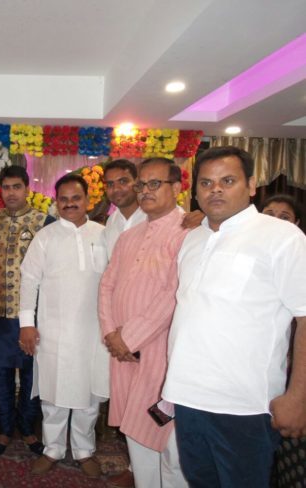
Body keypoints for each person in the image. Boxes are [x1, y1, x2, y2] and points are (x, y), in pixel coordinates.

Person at [162, 146, 306, 487]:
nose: (215, 190)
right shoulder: (193, 239)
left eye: (227, 181)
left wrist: (298, 396)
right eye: (206, 183)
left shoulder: (282, 237)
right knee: (200, 481)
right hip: (187, 397)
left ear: (251, 185)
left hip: (244, 405)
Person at [99, 158, 189, 487]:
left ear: (176, 188)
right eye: (142, 185)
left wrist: (130, 337)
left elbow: (174, 293)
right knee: (135, 431)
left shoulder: (188, 233)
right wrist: (111, 333)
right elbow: (107, 285)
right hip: (123, 353)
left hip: (161, 352)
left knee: (169, 440)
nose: (145, 191)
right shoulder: (129, 236)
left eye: (154, 184)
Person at [19, 173, 110, 477]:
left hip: (94, 331)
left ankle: (84, 450)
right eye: (64, 199)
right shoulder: (46, 237)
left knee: (89, 394)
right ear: (56, 202)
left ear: (87, 201)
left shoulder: (104, 234)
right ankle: (53, 448)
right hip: (54, 329)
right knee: (53, 394)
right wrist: (26, 324)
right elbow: (29, 281)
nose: (70, 204)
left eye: (76, 198)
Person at [0, 165, 54, 457]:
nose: (11, 193)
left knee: (30, 373)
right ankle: (3, 429)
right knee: (0, 372)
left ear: (27, 189)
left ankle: (26, 428)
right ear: (0, 190)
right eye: (6, 187)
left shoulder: (44, 222)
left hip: (32, 314)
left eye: (17, 187)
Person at [261, 195, 305, 488]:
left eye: (284, 217)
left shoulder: (298, 255)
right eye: (269, 214)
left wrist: (298, 395)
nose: (275, 222)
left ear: (297, 224)